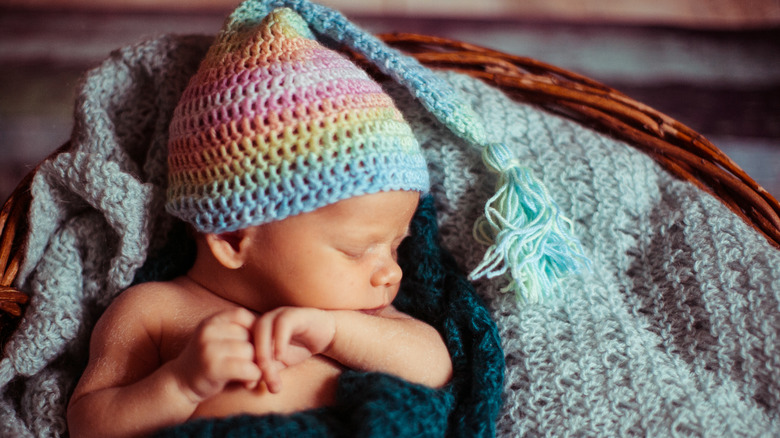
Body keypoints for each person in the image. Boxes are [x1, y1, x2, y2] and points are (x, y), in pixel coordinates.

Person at [67, 8, 452, 438]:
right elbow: (89, 424)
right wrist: (180, 384)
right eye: (357, 249)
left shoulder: (357, 316)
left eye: (395, 244)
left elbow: (434, 369)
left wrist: (334, 333)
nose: (391, 270)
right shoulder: (154, 312)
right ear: (232, 239)